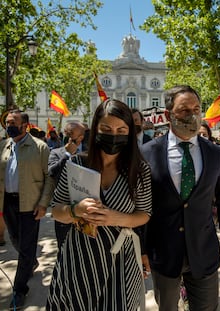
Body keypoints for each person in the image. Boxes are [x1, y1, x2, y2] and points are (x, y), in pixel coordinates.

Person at [46, 99, 152, 310]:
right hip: (79, 257)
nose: (114, 135)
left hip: (120, 258)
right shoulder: (75, 164)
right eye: (106, 128)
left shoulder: (139, 170)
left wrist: (117, 218)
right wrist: (75, 211)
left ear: (130, 133)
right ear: (95, 130)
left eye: (121, 129)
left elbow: (145, 213)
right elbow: (57, 210)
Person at [141, 85, 220, 311]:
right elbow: (141, 204)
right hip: (163, 253)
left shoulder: (215, 153)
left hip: (204, 252)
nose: (192, 115)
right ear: (168, 115)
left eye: (196, 109)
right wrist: (142, 249)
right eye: (184, 110)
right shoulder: (147, 152)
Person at [0, 110, 54, 309]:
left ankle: (19, 289)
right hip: (8, 203)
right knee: (15, 239)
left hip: (30, 204)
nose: (9, 125)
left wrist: (43, 203)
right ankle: (31, 262)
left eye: (13, 122)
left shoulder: (40, 147)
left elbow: (50, 177)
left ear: (25, 125)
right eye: (6, 122)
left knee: (26, 247)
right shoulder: (3, 147)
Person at [48, 121, 86, 252]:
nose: (67, 136)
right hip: (63, 206)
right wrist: (67, 154)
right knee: (63, 247)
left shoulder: (89, 153)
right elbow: (52, 172)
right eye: (66, 132)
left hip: (85, 207)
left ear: (81, 137)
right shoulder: (57, 153)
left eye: (71, 134)